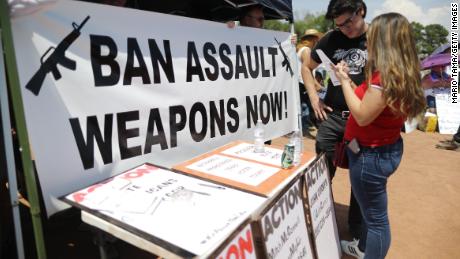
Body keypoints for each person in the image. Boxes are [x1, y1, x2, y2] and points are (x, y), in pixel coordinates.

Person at [332, 13, 426, 258]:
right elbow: (369, 101)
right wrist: (350, 83)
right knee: (369, 211)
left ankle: (369, 250)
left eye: (372, 38)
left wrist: (342, 81)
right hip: (381, 149)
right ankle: (363, 247)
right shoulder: (399, 71)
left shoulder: (385, 76)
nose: (367, 43)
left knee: (376, 221)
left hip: (370, 155)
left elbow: (362, 115)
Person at [302, 0, 368, 239]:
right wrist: (313, 97)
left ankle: (357, 229)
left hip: (363, 123)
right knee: (321, 170)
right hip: (334, 118)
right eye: (339, 25)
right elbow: (306, 67)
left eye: (348, 22)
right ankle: (319, 216)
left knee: (361, 175)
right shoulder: (331, 39)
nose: (345, 29)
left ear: (360, 10)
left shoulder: (379, 38)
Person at [297, 29, 324, 136]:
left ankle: (304, 130)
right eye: (317, 40)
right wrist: (317, 85)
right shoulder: (307, 51)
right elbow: (308, 70)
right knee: (309, 107)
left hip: (299, 83)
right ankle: (306, 130)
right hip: (303, 83)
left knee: (303, 107)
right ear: (313, 40)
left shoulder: (299, 49)